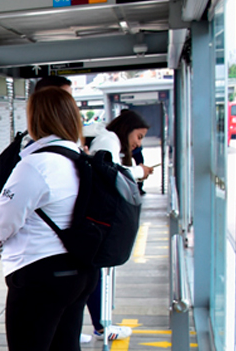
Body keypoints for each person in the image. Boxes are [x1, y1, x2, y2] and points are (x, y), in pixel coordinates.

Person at [0, 87, 100, 351]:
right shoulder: (81, 160)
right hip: (80, 271)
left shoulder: (36, 165)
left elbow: (5, 217)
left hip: (39, 275)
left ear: (36, 119)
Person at [77, 109, 154, 342]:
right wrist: (139, 172)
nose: (138, 144)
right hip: (96, 219)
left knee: (90, 275)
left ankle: (93, 325)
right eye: (138, 137)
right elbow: (110, 173)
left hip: (93, 218)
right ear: (127, 129)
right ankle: (101, 326)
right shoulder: (108, 141)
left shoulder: (108, 140)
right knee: (92, 274)